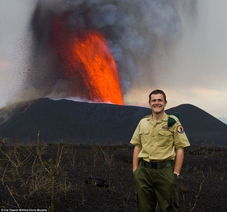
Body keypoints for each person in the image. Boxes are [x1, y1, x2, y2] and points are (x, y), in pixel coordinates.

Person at [130, 89, 190, 212]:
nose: (157, 103)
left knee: (169, 207)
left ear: (165, 103)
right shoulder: (143, 122)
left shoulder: (173, 122)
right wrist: (135, 171)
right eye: (154, 100)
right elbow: (137, 146)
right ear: (149, 103)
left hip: (164, 172)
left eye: (160, 100)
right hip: (144, 171)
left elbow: (180, 148)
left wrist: (176, 173)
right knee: (144, 208)